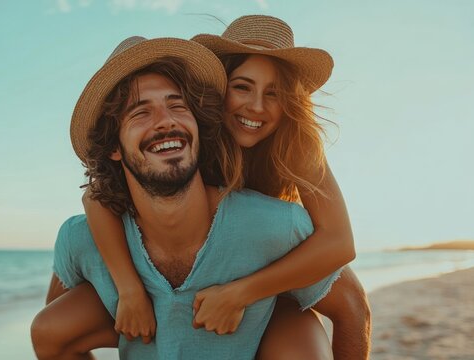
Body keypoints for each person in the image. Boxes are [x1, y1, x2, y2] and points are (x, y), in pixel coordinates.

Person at [31, 35, 367, 359]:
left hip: (265, 266)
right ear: (216, 93)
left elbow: (339, 243)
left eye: (275, 93)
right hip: (195, 265)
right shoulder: (195, 135)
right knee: (53, 328)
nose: (257, 105)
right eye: (242, 86)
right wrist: (129, 288)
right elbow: (96, 195)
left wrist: (241, 292)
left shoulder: (296, 149)